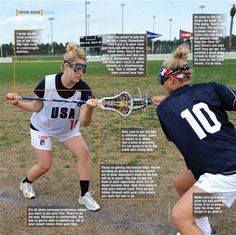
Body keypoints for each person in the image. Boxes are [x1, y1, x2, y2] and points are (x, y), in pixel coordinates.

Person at [152, 45, 236, 235]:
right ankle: (204, 228)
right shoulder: (212, 88)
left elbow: (179, 133)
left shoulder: (164, 110)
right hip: (224, 161)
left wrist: (168, 105)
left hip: (225, 170)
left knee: (180, 216)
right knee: (182, 183)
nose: (161, 85)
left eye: (161, 80)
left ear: (172, 79)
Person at [6, 43, 100, 211]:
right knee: (44, 165)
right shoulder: (47, 82)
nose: (81, 73)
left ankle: (84, 195)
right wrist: (17, 103)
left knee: (84, 152)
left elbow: (85, 123)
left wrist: (89, 108)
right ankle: (26, 183)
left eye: (84, 69)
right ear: (66, 66)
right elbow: (35, 107)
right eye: (77, 68)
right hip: (42, 127)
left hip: (67, 130)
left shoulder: (84, 90)